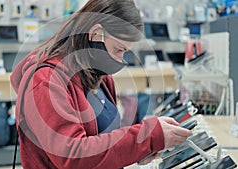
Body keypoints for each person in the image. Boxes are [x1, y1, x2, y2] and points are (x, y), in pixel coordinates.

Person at [10, 0, 192, 168]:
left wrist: (137, 151)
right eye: (118, 49)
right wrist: (147, 136)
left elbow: (103, 140)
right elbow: (73, 157)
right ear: (96, 34)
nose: (121, 60)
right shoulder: (45, 81)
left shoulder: (98, 76)